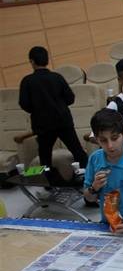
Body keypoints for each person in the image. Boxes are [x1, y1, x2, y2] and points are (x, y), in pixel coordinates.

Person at [18, 46, 88, 177]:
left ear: (32, 61)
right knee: (77, 151)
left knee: (45, 159)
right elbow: (70, 98)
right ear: (47, 60)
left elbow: (24, 104)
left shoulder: (27, 81)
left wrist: (37, 109)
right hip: (63, 121)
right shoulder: (57, 77)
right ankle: (88, 176)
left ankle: (50, 183)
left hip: (42, 124)